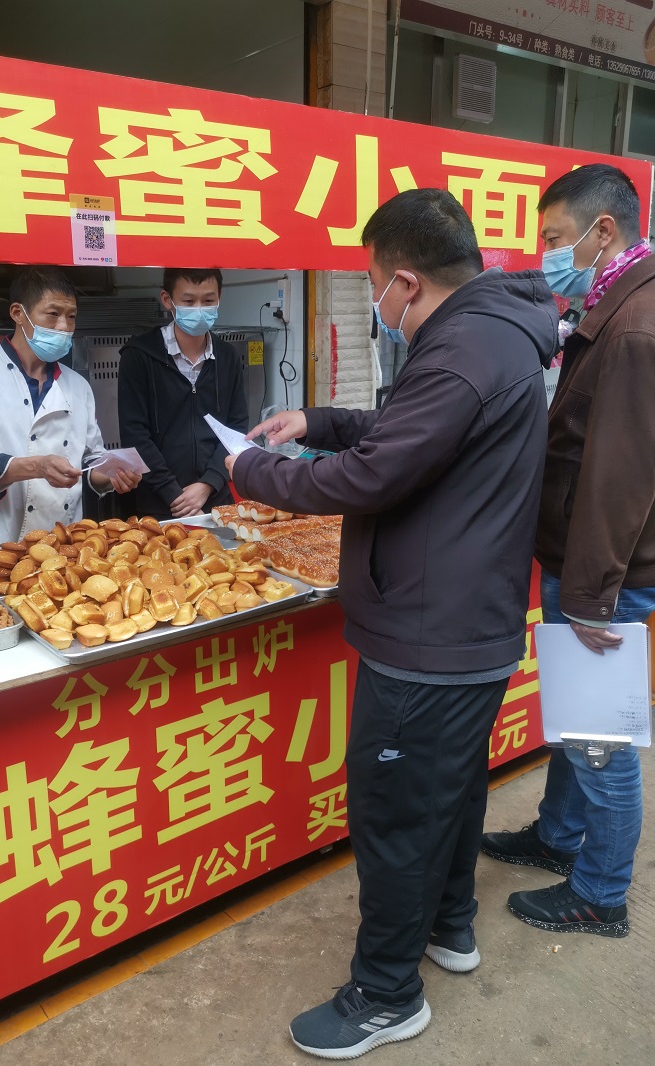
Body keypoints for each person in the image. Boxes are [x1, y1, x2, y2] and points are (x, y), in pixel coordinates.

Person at [225, 188, 557, 1059]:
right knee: (450, 791)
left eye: (374, 284)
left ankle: (385, 995)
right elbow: (410, 431)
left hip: (430, 636)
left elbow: (370, 476)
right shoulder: (491, 333)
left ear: (406, 282)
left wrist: (253, 469)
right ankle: (451, 924)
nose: (375, 299)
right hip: (468, 620)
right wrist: (320, 420)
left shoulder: (461, 351)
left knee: (397, 814)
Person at [482, 163, 655, 939]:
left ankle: (601, 894)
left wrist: (589, 596)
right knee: (576, 722)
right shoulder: (616, 305)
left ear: (602, 230)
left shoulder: (636, 326)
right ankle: (556, 837)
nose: (549, 255)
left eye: (557, 238)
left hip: (603, 578)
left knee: (600, 740)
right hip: (585, 566)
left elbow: (621, 478)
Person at [0, 267, 139, 554]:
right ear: (18, 313)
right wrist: (37, 466)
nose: (64, 326)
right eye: (53, 314)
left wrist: (111, 475)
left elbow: (89, 460)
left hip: (60, 542)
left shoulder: (78, 386)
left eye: (71, 316)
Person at [117, 267, 248, 521]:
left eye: (208, 300)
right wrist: (175, 495)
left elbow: (236, 428)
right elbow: (135, 435)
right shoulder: (138, 356)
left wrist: (208, 483)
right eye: (188, 301)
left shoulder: (228, 357)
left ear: (219, 297)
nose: (199, 309)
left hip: (216, 501)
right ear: (167, 299)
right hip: (159, 506)